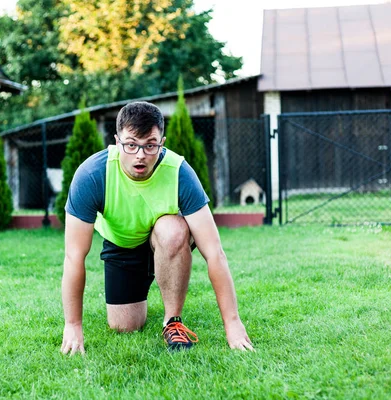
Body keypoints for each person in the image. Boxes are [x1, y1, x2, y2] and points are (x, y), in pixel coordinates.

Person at [60, 101, 254, 354]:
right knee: (124, 325)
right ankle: (146, 283)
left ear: (162, 142)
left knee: (172, 229)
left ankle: (172, 321)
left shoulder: (179, 172)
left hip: (165, 239)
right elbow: (74, 256)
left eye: (150, 145)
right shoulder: (92, 175)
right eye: (131, 145)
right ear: (117, 142)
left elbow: (214, 252)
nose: (140, 154)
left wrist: (233, 323)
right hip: (122, 246)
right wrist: (72, 325)